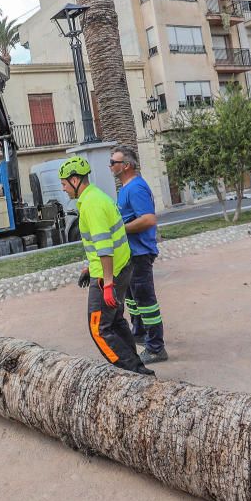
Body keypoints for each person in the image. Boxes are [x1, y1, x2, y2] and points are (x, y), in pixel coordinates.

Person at [61, 156, 153, 376]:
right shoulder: (95, 197)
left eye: (64, 183)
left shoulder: (92, 204)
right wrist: (89, 268)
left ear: (75, 180)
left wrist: (108, 283)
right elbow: (103, 243)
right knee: (115, 321)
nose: (63, 188)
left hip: (108, 276)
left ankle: (131, 371)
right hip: (118, 268)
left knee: (99, 329)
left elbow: (104, 247)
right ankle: (136, 367)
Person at [110, 145, 168, 364]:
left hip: (140, 253)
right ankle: (140, 333)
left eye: (113, 163)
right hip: (130, 254)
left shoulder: (136, 188)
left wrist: (119, 230)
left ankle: (156, 348)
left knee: (145, 300)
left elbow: (148, 219)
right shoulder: (126, 188)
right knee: (133, 298)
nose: (110, 166)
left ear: (126, 166)